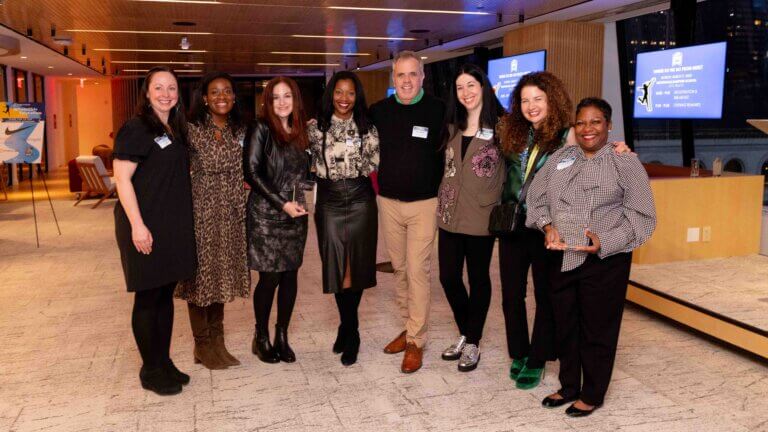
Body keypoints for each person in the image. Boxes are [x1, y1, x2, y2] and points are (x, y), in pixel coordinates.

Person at [497, 72, 630, 389]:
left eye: (538, 99)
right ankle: (519, 352)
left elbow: (595, 149)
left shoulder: (566, 136)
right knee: (511, 296)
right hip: (513, 226)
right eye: (525, 100)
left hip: (549, 229)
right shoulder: (513, 134)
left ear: (551, 100)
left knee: (546, 296)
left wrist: (619, 150)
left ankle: (538, 358)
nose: (531, 106)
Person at [526, 98, 656, 417]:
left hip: (605, 262)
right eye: (581, 122)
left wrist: (604, 240)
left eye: (595, 122)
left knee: (598, 328)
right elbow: (535, 198)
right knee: (565, 324)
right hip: (561, 256)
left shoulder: (624, 162)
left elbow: (643, 216)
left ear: (608, 126)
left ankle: (592, 392)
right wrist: (547, 226)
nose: (587, 129)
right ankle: (569, 385)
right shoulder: (560, 158)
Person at [113, 66, 196, 395]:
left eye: (172, 88)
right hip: (143, 224)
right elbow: (122, 180)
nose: (166, 94)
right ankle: (150, 369)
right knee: (148, 297)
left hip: (170, 225)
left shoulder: (174, 127)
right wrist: (137, 226)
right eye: (158, 88)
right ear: (146, 94)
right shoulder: (136, 128)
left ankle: (163, 361)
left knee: (164, 296)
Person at [370, 50, 446, 374]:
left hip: (424, 205)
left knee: (417, 270)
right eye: (401, 75)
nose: (406, 81)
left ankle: (416, 340)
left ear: (422, 77)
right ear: (393, 77)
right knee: (399, 269)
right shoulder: (379, 111)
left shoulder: (439, 110)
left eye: (413, 74)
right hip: (388, 203)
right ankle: (409, 325)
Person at [176, 71, 250, 370]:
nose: (222, 97)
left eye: (228, 91)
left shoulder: (240, 129)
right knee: (200, 280)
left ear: (234, 96)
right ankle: (202, 344)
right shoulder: (191, 129)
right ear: (204, 98)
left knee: (220, 277)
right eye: (215, 92)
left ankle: (218, 342)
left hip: (231, 212)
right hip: (201, 212)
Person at [436, 64, 505, 372]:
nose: (465, 92)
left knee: (478, 279)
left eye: (471, 85)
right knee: (448, 277)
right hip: (449, 213)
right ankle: (468, 332)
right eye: (460, 87)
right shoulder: (451, 127)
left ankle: (472, 342)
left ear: (483, 87)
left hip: (481, 214)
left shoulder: (502, 127)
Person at [307, 71, 379, 366]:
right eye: (339, 92)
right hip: (329, 201)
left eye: (350, 93)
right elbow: (305, 167)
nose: (344, 99)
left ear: (356, 95)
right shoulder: (315, 127)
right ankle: (347, 326)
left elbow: (372, 162)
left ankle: (352, 332)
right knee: (337, 269)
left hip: (361, 200)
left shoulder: (367, 126)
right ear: (330, 94)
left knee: (356, 268)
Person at [244, 76, 310, 364]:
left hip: (296, 212)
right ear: (267, 102)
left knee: (290, 275)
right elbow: (252, 172)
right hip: (267, 214)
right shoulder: (260, 129)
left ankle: (282, 335)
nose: (282, 102)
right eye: (276, 97)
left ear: (295, 100)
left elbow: (305, 173)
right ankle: (261, 337)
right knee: (269, 277)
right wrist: (281, 203)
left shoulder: (301, 132)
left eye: (287, 96)